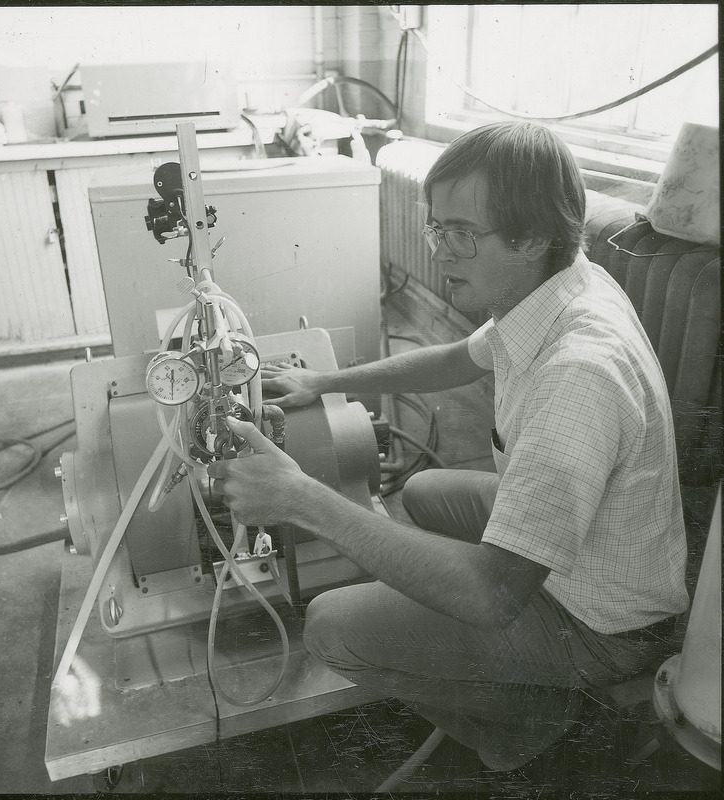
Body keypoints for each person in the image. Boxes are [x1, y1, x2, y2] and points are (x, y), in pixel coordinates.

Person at [207, 121, 689, 771]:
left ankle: (525, 726)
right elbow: (457, 359)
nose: (439, 252)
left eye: (460, 234)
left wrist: (301, 499)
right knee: (425, 492)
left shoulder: (577, 377)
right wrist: (324, 381)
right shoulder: (560, 285)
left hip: (604, 625)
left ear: (531, 238)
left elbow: (493, 594)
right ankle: (506, 677)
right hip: (590, 548)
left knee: (331, 626)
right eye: (437, 228)